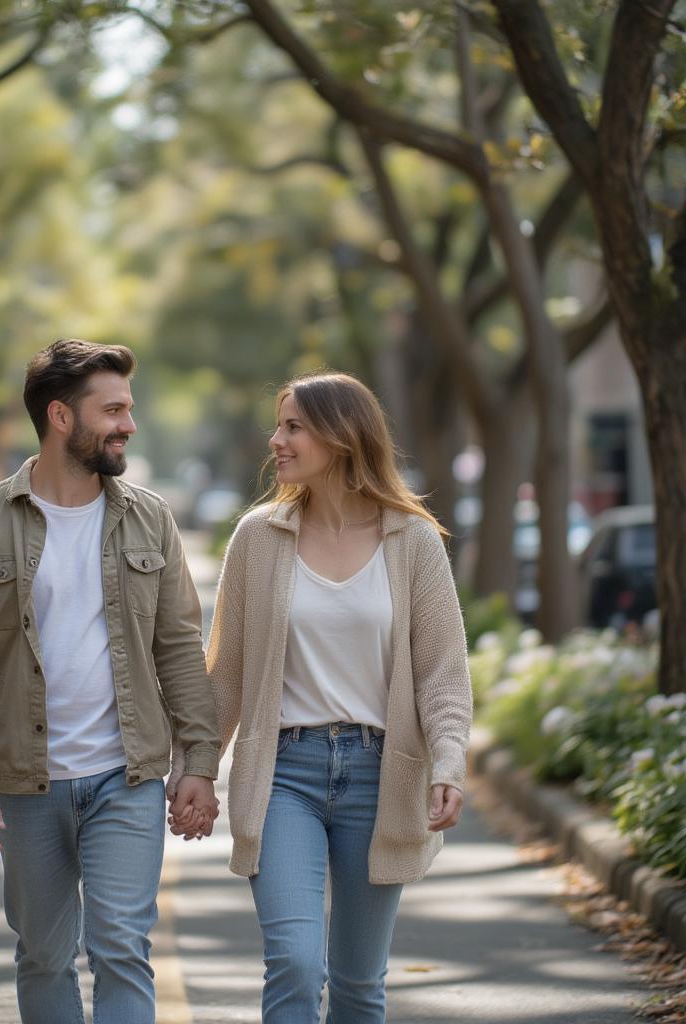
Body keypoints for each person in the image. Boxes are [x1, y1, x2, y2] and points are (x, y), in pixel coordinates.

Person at [0, 339, 220, 1024]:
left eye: (129, 408)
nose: (129, 424)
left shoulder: (148, 517)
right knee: (43, 954)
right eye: (113, 409)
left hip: (127, 775)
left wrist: (199, 760)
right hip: (25, 783)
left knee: (121, 945)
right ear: (62, 417)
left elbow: (179, 646)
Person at [171, 371, 472, 1023]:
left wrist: (448, 762)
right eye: (278, 425)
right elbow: (225, 672)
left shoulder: (412, 541)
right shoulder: (260, 537)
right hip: (285, 776)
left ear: (341, 436)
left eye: (293, 426)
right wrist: (196, 767)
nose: (275, 440)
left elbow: (442, 671)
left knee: (360, 985)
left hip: (380, 775)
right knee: (296, 963)